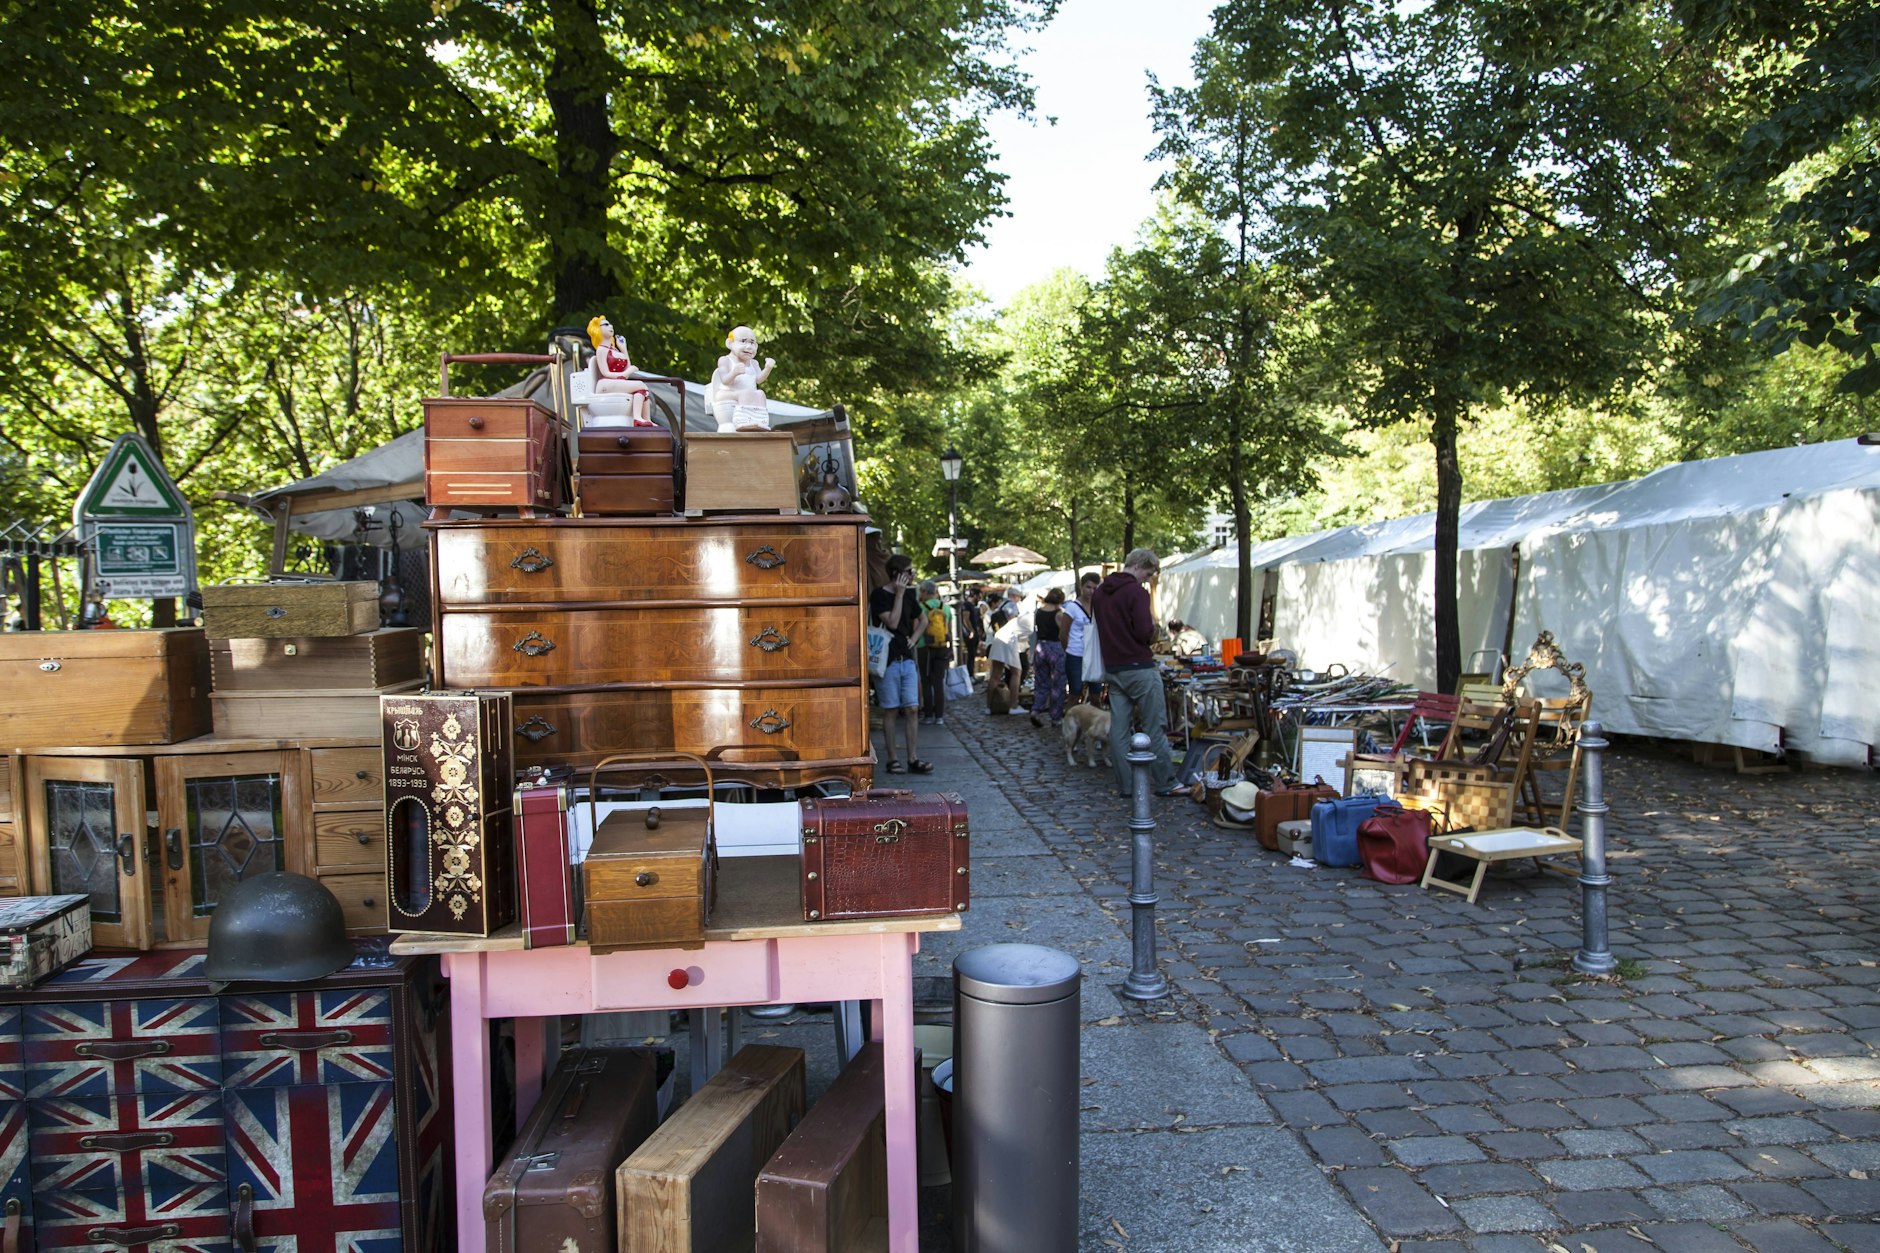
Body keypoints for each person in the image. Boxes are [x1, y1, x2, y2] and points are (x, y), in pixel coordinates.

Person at [1092, 548, 1181, 798]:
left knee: (1119, 732)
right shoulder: (1136, 593)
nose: (1148, 579)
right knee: (1155, 727)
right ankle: (1166, 782)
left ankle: (1127, 786)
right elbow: (1144, 631)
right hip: (1139, 667)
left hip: (1113, 668)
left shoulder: (1100, 592)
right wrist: (1152, 629)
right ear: (1141, 566)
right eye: (1149, 574)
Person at [869, 554, 932, 773]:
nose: (913, 575)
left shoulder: (909, 597)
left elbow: (924, 619)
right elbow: (893, 622)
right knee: (891, 710)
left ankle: (913, 758)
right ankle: (892, 759)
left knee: (913, 708)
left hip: (907, 660)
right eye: (909, 572)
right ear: (898, 574)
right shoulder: (879, 595)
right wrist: (899, 594)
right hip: (886, 662)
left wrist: (913, 640)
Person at [585, 315, 652, 426]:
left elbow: (627, 365)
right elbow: (605, 373)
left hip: (616, 382)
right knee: (641, 385)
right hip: (605, 384)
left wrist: (623, 348)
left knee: (642, 389)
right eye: (605, 324)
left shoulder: (614, 350)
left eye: (610, 324)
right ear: (598, 329)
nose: (610, 326)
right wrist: (625, 374)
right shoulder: (601, 350)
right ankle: (638, 418)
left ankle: (645, 419)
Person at [708, 324, 776, 431]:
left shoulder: (753, 363)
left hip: (746, 396)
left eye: (752, 343)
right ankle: (743, 421)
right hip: (726, 393)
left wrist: (767, 368)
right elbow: (725, 380)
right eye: (743, 341)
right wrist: (734, 372)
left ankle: (761, 421)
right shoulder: (725, 360)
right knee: (745, 393)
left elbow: (759, 379)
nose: (748, 346)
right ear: (730, 343)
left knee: (760, 393)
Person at [1029, 588, 1069, 726]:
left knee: (1041, 683)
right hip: (1055, 649)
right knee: (1058, 684)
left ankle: (1035, 710)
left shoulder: (1038, 611)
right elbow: (1063, 633)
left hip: (1040, 647)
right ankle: (1056, 716)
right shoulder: (1059, 613)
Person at [1062, 572, 1100, 703]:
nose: (1091, 591)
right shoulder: (1072, 608)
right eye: (1088, 587)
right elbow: (1063, 633)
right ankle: (1070, 718)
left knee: (1096, 691)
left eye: (1095, 588)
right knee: (1075, 690)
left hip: (1093, 653)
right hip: (1075, 653)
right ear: (1082, 586)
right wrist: (1069, 648)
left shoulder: (1098, 606)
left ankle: (1096, 720)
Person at [917, 580, 950, 726]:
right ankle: (940, 716)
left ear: (924, 592)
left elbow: (916, 627)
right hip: (942, 647)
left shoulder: (921, 607)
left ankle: (928, 715)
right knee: (938, 682)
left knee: (926, 681)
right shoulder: (946, 608)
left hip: (925, 647)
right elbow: (948, 628)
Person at [986, 597, 1027, 715]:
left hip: (999, 638)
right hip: (1009, 639)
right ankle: (1014, 705)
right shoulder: (1012, 606)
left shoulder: (1003, 604)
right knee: (1016, 672)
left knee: (995, 675)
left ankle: (989, 706)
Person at [957, 586, 986, 677]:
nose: (980, 599)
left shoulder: (971, 605)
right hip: (969, 634)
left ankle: (971, 674)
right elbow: (966, 619)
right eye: (979, 596)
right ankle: (969, 675)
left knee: (972, 655)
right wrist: (971, 631)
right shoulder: (967, 605)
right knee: (970, 654)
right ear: (974, 596)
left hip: (972, 633)